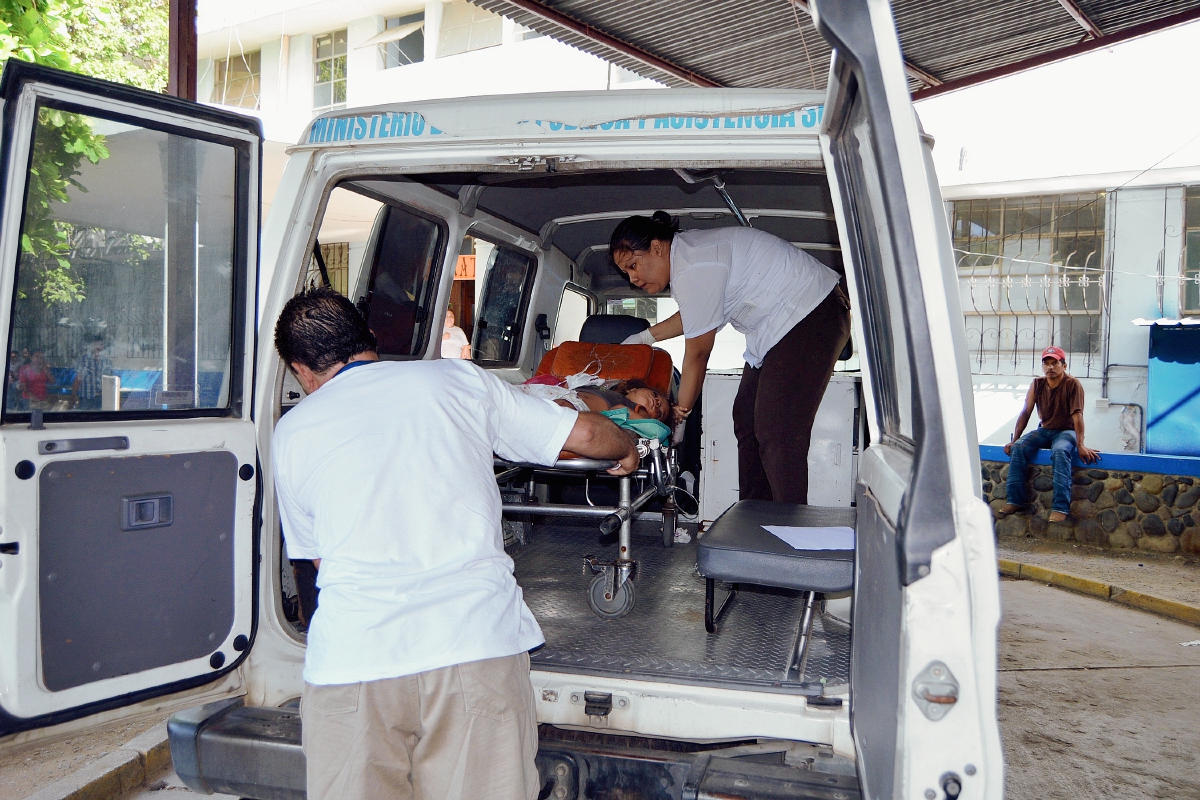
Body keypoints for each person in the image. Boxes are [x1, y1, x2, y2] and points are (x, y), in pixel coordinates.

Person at [271, 287, 638, 800]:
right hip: (472, 647)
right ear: (370, 338)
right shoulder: (455, 379)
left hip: (352, 665)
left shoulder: (291, 432)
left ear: (300, 370)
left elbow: (314, 560)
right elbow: (587, 438)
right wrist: (628, 445)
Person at [611, 211, 850, 504]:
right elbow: (696, 316)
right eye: (626, 273)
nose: (633, 279)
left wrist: (680, 416)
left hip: (812, 313)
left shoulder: (693, 265)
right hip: (779, 327)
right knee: (747, 418)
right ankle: (755, 519)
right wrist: (645, 337)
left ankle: (790, 532)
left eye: (633, 265)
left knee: (776, 428)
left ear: (657, 248)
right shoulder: (689, 259)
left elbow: (698, 353)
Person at [997, 346, 1100, 523]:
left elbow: (1078, 416)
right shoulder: (1037, 384)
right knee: (1019, 448)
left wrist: (1081, 444)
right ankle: (1014, 500)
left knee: (1060, 452)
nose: (1050, 367)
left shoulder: (1072, 384)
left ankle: (1060, 508)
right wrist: (1014, 440)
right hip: (1044, 430)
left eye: (1055, 363)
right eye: (1047, 364)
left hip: (1066, 432)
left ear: (1064, 365)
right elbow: (1025, 412)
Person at [72, 336, 113, 410]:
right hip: (86, 398)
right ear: (91, 346)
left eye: (101, 345)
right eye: (96, 345)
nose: (99, 348)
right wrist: (73, 395)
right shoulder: (83, 360)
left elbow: (110, 380)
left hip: (102, 398)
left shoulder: (107, 362)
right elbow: (78, 379)